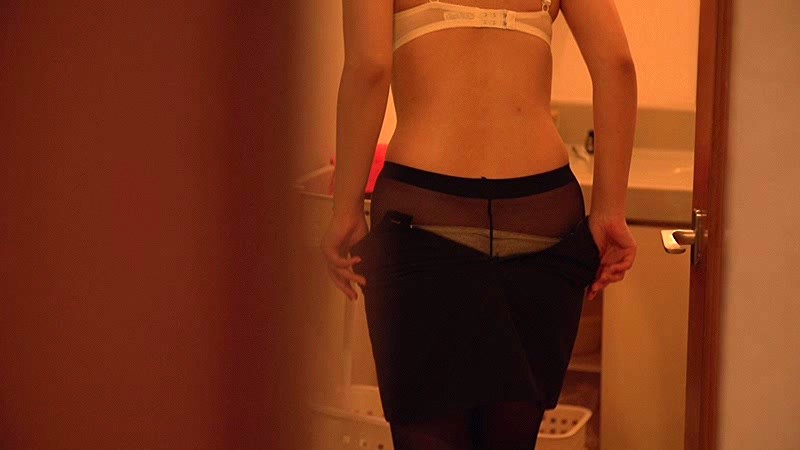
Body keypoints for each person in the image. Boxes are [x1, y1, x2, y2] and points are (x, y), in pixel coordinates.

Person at [321, 0, 637, 448]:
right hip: (542, 212)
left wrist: (346, 210)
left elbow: (369, 68)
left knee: (426, 427)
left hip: (424, 209)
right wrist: (609, 210)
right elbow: (617, 65)